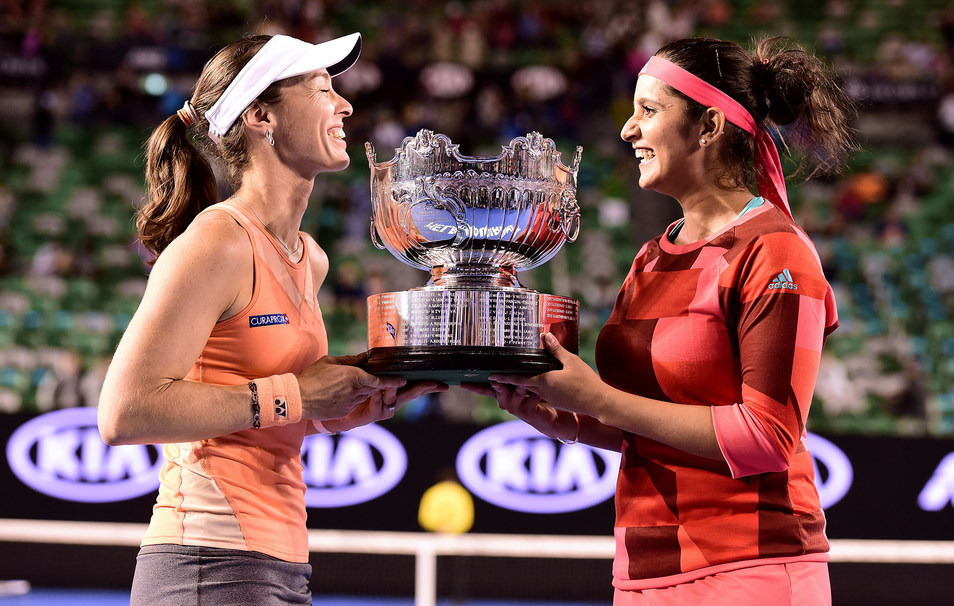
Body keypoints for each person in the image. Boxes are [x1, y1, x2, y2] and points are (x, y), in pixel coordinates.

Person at [463, 36, 857, 605]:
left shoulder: (775, 251)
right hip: (644, 575)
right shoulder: (653, 254)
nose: (628, 130)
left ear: (709, 126)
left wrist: (595, 399)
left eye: (648, 110)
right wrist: (561, 418)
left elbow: (768, 439)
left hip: (751, 571)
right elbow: (648, 425)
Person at [97, 32, 446, 605]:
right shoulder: (218, 239)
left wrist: (362, 397)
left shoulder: (311, 257)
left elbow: (274, 412)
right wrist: (299, 397)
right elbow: (125, 413)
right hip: (207, 563)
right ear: (262, 116)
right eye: (323, 89)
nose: (345, 105)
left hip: (276, 564)